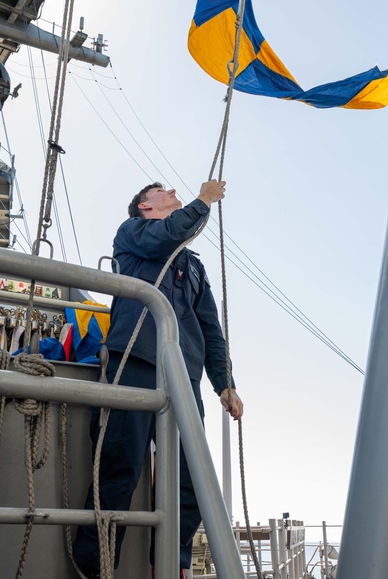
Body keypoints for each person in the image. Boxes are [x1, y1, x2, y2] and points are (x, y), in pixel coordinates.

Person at [73, 180, 244, 578]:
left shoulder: (194, 267)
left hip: (182, 380)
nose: (171, 191)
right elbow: (163, 238)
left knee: (192, 482)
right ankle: (96, 568)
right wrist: (203, 201)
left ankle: (171, 565)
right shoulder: (133, 233)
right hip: (134, 363)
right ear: (145, 206)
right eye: (162, 190)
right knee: (118, 469)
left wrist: (225, 383)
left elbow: (210, 329)